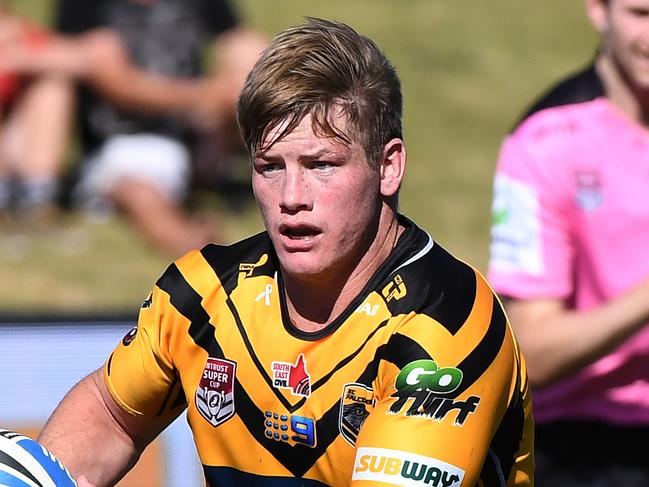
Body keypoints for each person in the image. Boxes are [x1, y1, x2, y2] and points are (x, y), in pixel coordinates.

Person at [38, 18, 534, 486]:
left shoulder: (448, 321)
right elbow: (110, 413)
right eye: (270, 166)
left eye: (321, 165)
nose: (292, 196)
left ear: (389, 167)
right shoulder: (201, 295)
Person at [488, 0, 649, 484]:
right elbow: (532, 354)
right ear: (598, 10)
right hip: (590, 442)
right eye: (642, 14)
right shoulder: (543, 141)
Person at [0, 0, 266, 256]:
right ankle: (196, 248)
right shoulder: (87, 12)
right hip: (121, 139)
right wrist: (205, 95)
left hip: (191, 131)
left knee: (248, 49)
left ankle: (265, 156)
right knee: (139, 190)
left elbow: (238, 41)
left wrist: (226, 91)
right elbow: (115, 84)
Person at [0, 2, 74, 224]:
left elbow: (70, 58)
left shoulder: (19, 35)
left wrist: (19, 56)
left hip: (15, 145)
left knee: (52, 84)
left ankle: (38, 194)